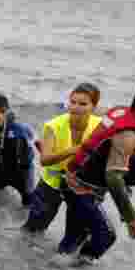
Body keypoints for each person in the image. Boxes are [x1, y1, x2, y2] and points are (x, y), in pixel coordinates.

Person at [59, 83, 135, 265]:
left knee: (74, 239)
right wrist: (131, 218)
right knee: (105, 235)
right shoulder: (128, 135)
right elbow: (113, 177)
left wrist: (125, 191)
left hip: (72, 180)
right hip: (81, 189)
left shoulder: (121, 112)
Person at [22, 83, 102, 233]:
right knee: (32, 229)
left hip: (82, 185)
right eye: (72, 102)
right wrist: (75, 150)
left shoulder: (100, 126)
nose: (75, 107)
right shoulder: (53, 126)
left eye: (83, 104)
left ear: (94, 106)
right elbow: (44, 160)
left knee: (77, 233)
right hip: (52, 184)